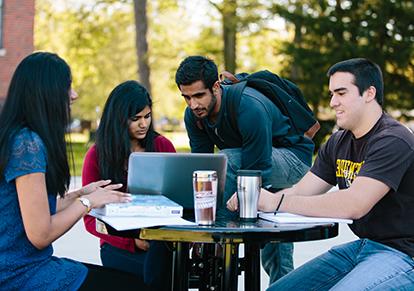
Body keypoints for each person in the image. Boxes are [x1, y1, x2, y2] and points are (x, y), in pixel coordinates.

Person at [227, 58, 414, 290]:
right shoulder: (338, 141)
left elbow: (354, 204)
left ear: (369, 93)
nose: (333, 102)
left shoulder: (392, 139)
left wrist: (275, 201)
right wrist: (256, 198)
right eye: (331, 94)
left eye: (341, 93)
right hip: (364, 247)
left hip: (404, 254)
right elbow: (301, 190)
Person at [0, 52, 149, 290]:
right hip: (20, 275)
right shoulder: (27, 144)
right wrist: (88, 203)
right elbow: (40, 234)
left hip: (26, 267)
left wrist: (80, 194)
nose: (74, 95)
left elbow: (36, 208)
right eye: (67, 87)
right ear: (46, 92)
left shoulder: (19, 136)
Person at [175, 55, 315, 283]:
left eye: (199, 95)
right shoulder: (194, 115)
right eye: (187, 97)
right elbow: (202, 165)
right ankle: (281, 285)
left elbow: (257, 168)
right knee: (275, 244)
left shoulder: (248, 106)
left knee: (228, 161)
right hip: (251, 158)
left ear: (216, 86)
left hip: (292, 159)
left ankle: (217, 247)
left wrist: (221, 219)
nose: (193, 104)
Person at [82, 80, 175, 291]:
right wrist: (132, 243)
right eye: (136, 119)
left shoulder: (162, 146)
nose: (144, 124)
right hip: (118, 244)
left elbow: (177, 197)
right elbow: (89, 219)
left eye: (147, 116)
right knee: (157, 277)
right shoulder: (97, 156)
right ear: (119, 118)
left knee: (164, 266)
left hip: (160, 242)